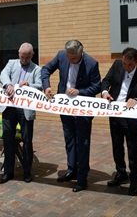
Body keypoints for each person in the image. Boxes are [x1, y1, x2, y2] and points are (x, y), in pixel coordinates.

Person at [41, 40, 101, 192]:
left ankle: (82, 178)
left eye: (74, 58)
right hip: (65, 106)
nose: (70, 60)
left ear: (81, 53)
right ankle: (71, 170)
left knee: (83, 142)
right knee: (69, 139)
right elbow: (46, 69)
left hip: (83, 109)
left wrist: (79, 91)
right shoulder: (62, 56)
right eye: (69, 57)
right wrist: (46, 86)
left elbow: (96, 86)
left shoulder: (91, 63)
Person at [101, 47, 137, 196]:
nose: (126, 67)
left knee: (133, 149)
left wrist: (136, 100)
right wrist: (105, 92)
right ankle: (121, 173)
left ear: (136, 62)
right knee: (117, 146)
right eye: (124, 63)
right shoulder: (117, 65)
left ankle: (134, 179)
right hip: (115, 114)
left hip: (131, 119)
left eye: (129, 65)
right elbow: (105, 81)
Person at [0, 43, 42, 184]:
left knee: (27, 141)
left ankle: (27, 172)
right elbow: (3, 74)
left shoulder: (37, 69)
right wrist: (8, 84)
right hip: (9, 106)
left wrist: (30, 85)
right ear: (18, 54)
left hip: (25, 109)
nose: (24, 60)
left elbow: (40, 85)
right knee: (8, 139)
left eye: (27, 58)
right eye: (22, 57)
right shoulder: (12, 63)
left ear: (32, 56)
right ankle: (8, 172)